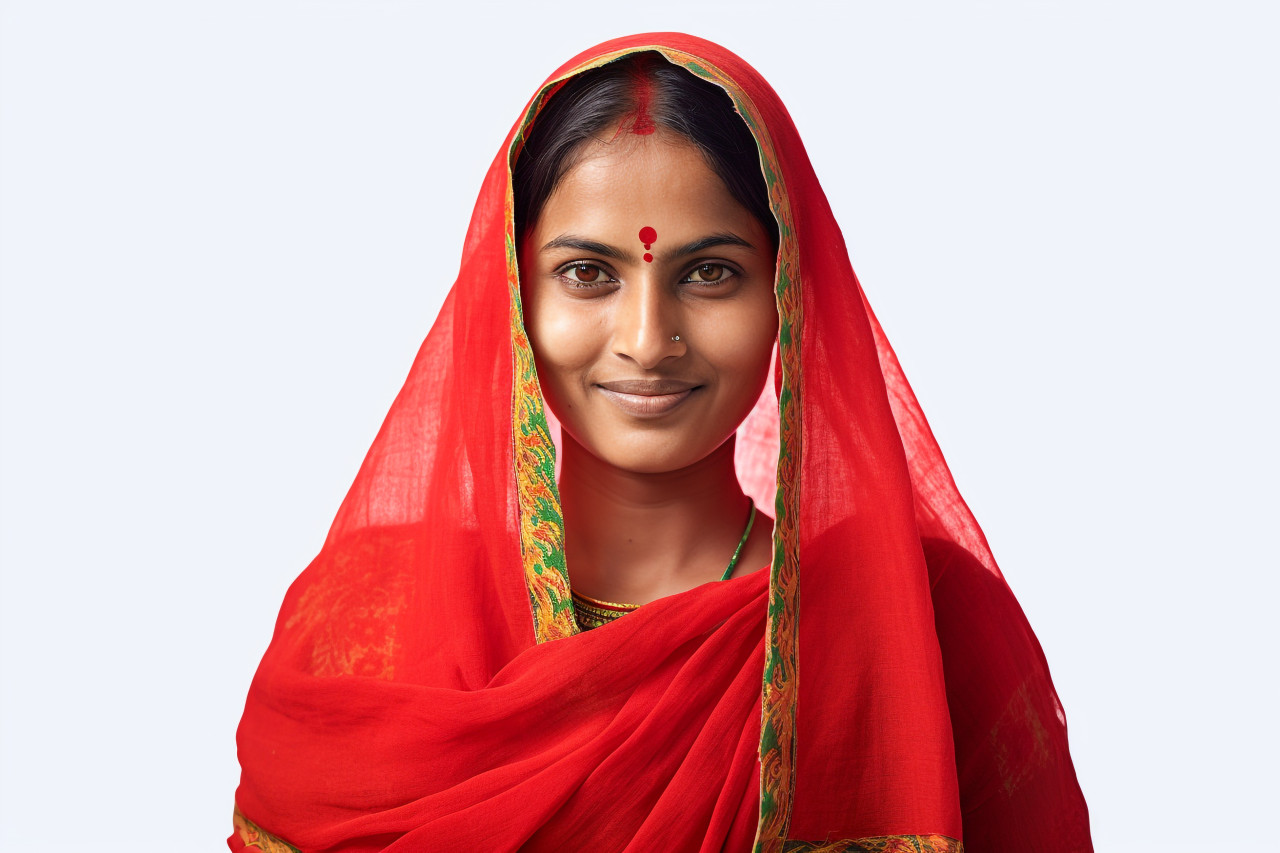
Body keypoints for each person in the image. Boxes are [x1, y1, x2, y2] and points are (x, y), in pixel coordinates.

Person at [230, 33, 1092, 852]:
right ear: (513, 292)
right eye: (587, 274)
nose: (647, 339)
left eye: (710, 273)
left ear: (791, 287)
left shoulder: (922, 622)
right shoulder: (359, 628)